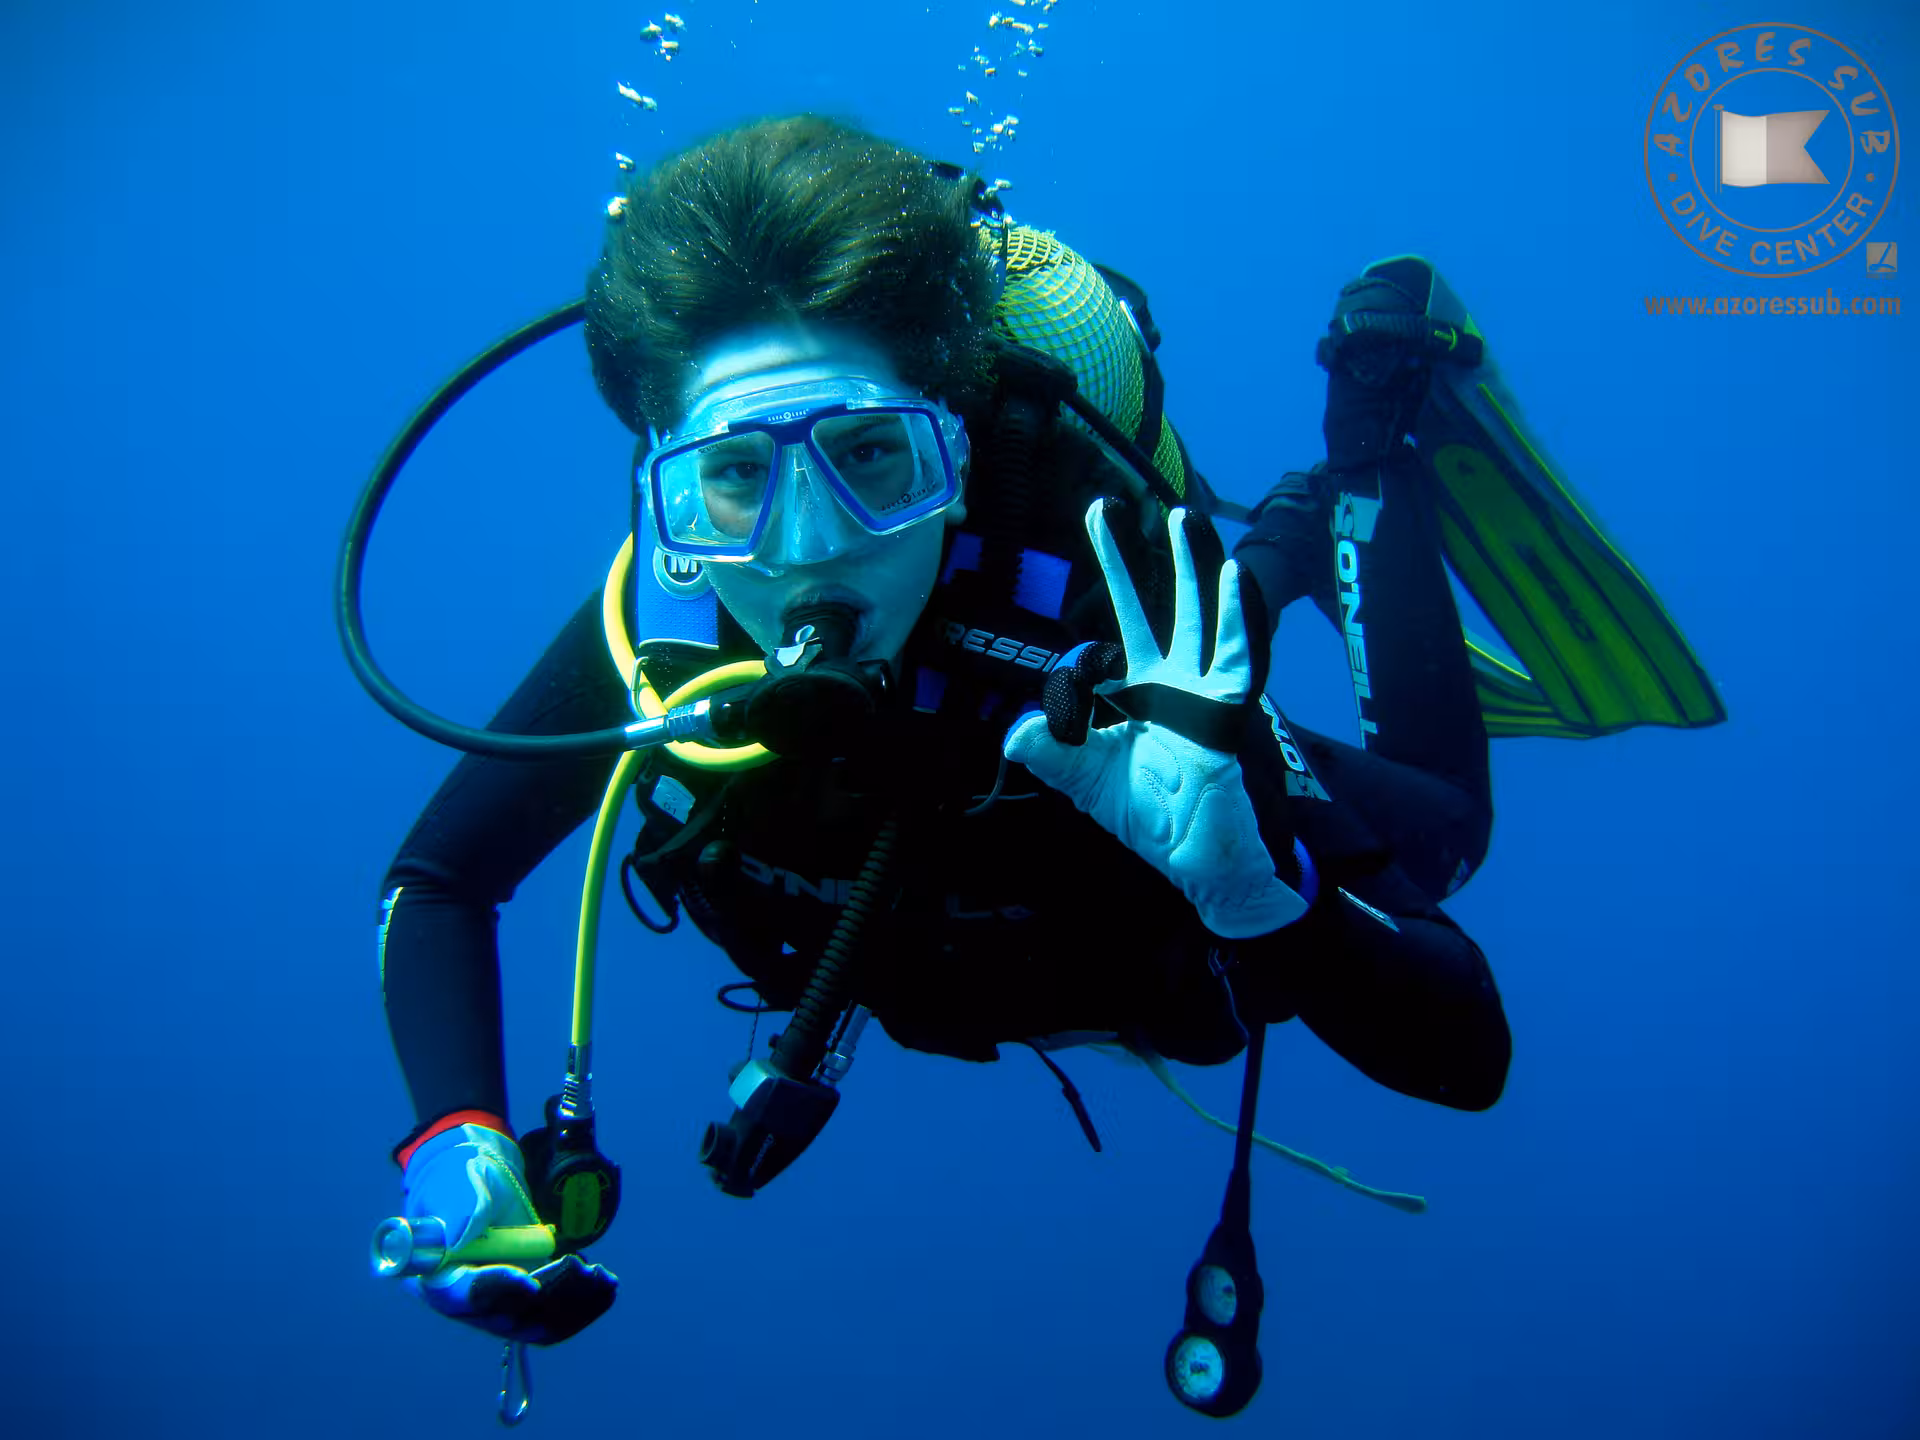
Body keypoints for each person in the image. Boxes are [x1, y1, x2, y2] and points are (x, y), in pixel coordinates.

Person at [366, 115, 1718, 1371]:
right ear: (671, 495)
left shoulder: (1103, 629)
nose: (807, 546)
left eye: (871, 457)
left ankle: (1358, 465)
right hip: (967, 954)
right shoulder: (665, 634)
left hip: (1143, 834)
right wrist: (454, 1149)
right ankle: (1290, 529)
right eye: (734, 477)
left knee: (1446, 828)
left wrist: (1260, 894)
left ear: (953, 451)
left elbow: (1468, 1062)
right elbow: (440, 880)